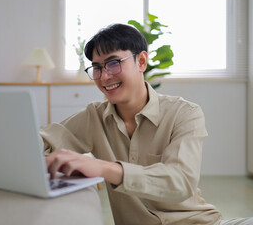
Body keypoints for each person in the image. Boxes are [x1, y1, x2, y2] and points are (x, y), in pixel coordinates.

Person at [40, 23, 252, 225]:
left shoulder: (184, 114)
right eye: (97, 68)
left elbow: (181, 182)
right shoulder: (93, 117)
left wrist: (102, 168)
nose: (104, 76)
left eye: (114, 63)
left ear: (141, 62)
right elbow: (40, 141)